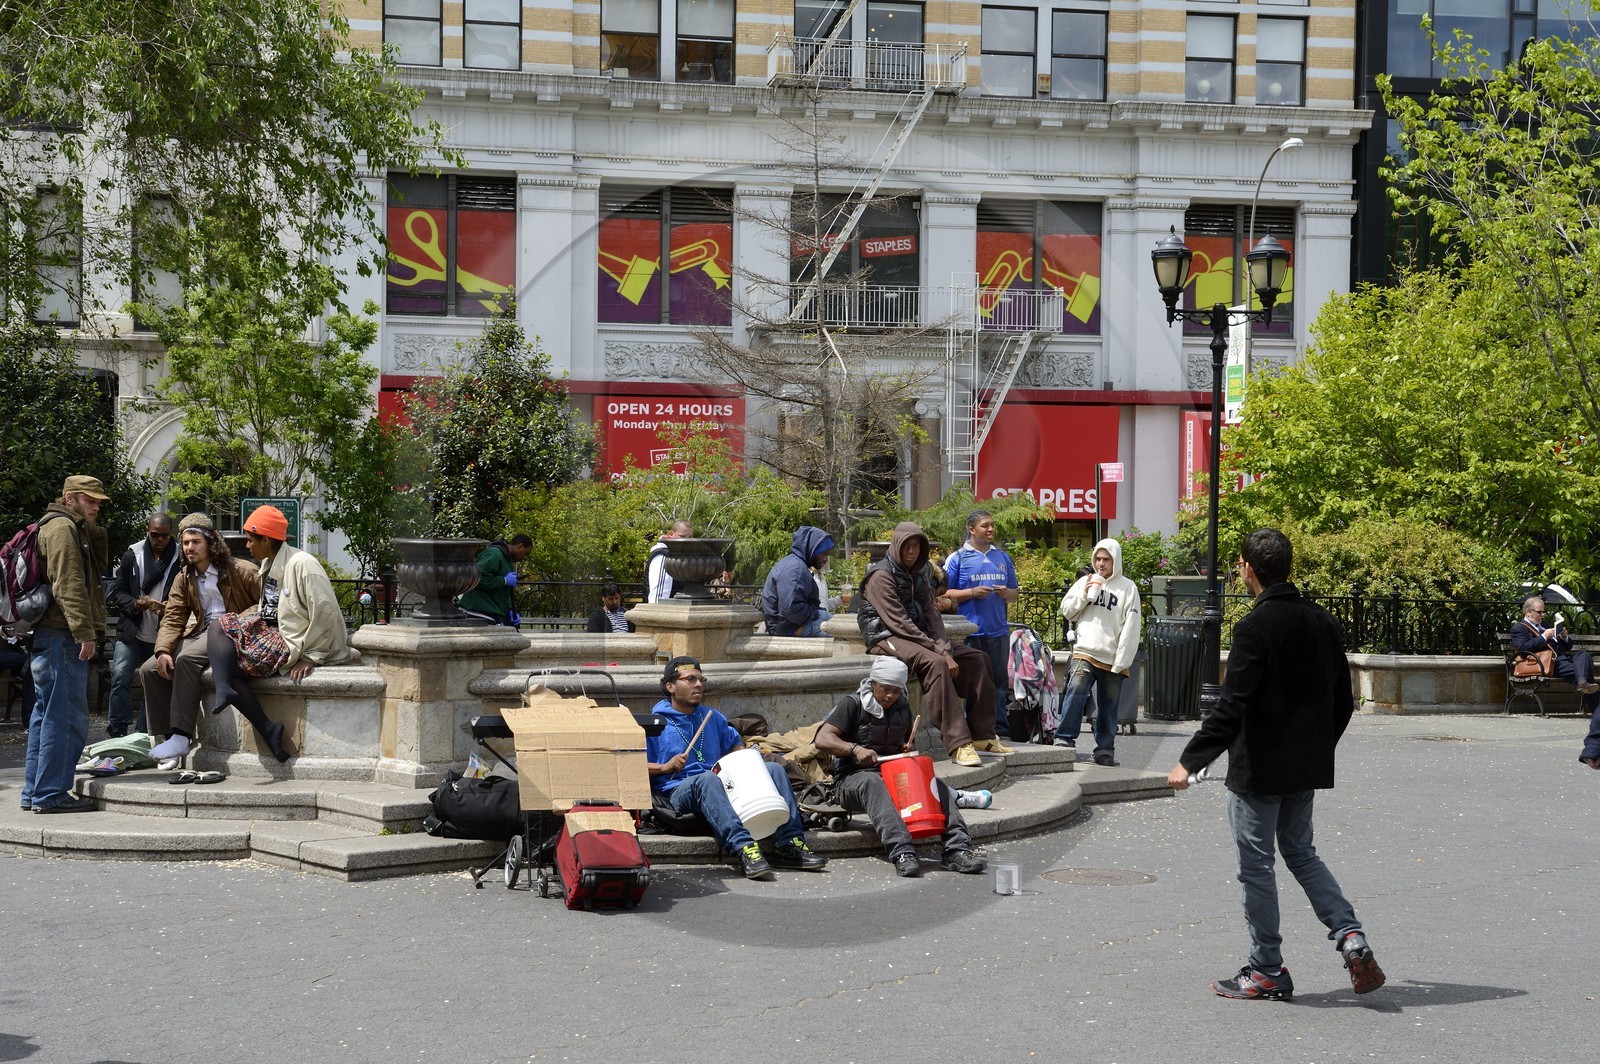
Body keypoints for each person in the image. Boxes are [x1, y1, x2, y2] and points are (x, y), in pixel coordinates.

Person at [1167, 528, 1385, 1001]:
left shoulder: (1255, 627)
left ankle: (1267, 968)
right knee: (1301, 853)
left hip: (1259, 770)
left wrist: (1190, 761)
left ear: (1248, 567)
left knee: (1257, 867)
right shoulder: (1323, 622)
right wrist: (1314, 749)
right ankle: (1350, 935)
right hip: (1302, 768)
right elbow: (1342, 703)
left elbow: (1232, 707)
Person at [645, 655, 828, 878]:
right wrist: (664, 767)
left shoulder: (712, 717)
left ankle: (789, 844)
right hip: (677, 792)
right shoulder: (654, 722)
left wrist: (745, 758)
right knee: (707, 779)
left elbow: (734, 743)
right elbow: (631, 766)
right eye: (691, 679)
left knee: (774, 769)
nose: (699, 684)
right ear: (670, 686)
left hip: (719, 783)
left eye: (701, 679)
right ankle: (744, 848)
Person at [204, 505, 353, 762]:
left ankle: (262, 724)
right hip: (271, 632)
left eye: (251, 540)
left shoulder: (303, 564)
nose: (247, 545)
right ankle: (228, 692)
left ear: (267, 539)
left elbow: (326, 612)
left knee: (229, 669)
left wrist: (312, 656)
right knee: (219, 626)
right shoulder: (268, 562)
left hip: (290, 641)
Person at [814, 656, 986, 877]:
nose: (890, 696)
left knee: (937, 785)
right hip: (852, 781)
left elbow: (906, 742)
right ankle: (902, 852)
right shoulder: (853, 704)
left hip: (891, 774)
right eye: (885, 689)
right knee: (872, 782)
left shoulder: (901, 706)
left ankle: (957, 849)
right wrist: (855, 749)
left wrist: (907, 748)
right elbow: (823, 739)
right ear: (873, 683)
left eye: (896, 691)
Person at [857, 521, 1007, 768]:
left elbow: (932, 616)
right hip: (886, 637)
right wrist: (939, 652)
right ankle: (959, 743)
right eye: (907, 547)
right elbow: (899, 623)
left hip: (917, 637)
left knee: (977, 659)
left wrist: (945, 647)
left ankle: (982, 735)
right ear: (897, 546)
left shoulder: (920, 574)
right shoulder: (880, 576)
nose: (911, 552)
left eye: (916, 547)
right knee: (936, 664)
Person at [22, 475, 111, 814]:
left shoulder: (73, 527)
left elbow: (97, 567)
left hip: (55, 638)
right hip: (63, 638)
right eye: (90, 499)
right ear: (70, 497)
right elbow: (69, 584)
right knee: (66, 719)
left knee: (46, 717)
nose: (97, 505)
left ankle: (36, 792)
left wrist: (91, 525)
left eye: (100, 501)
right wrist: (84, 633)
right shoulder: (61, 529)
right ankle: (51, 795)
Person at [142, 515, 261, 763]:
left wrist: (237, 621)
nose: (189, 547)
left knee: (186, 659)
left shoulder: (242, 570)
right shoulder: (184, 577)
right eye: (185, 542)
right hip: (200, 632)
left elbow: (267, 604)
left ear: (211, 542)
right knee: (150, 668)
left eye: (196, 541)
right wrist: (163, 650)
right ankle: (169, 740)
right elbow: (173, 617)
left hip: (230, 633)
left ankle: (181, 735)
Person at [1053, 538, 1141, 766]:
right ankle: (1064, 739)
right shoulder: (1085, 580)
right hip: (1084, 650)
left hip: (1112, 655)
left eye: (1106, 559)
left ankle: (1104, 749)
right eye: (1098, 559)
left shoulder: (1128, 587)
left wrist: (1122, 660)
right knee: (1076, 690)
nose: (1101, 564)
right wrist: (1085, 593)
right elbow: (1067, 612)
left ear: (1115, 560)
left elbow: (1131, 626)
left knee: (1109, 704)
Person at [945, 509, 1019, 739]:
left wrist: (1007, 593)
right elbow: (944, 593)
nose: (991, 529)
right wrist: (971, 592)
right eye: (985, 526)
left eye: (992, 525)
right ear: (971, 529)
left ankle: (999, 730)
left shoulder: (1002, 558)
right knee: (971, 686)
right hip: (970, 633)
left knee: (998, 685)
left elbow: (1015, 593)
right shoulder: (958, 558)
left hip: (998, 631)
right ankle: (970, 731)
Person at [104, 512, 180, 738]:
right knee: (120, 674)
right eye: (155, 535)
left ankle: (144, 731)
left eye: (164, 536)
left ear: (171, 535)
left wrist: (171, 607)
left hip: (162, 632)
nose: (159, 540)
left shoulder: (180, 556)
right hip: (133, 629)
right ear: (148, 531)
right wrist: (135, 604)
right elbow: (118, 591)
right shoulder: (133, 554)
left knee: (155, 682)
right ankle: (117, 728)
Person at [760, 525, 835, 636]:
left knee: (837, 622)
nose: (825, 559)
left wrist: (816, 612)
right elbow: (790, 608)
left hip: (788, 623)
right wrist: (814, 613)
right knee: (837, 634)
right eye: (823, 553)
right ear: (812, 549)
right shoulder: (796, 569)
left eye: (827, 555)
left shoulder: (797, 565)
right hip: (786, 627)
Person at [458, 533, 531, 626]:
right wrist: (504, 580)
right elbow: (477, 578)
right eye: (526, 553)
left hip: (489, 614)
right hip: (477, 613)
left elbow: (501, 592)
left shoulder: (506, 560)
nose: (524, 558)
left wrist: (509, 611)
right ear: (519, 546)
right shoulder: (495, 554)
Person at [646, 520, 693, 603]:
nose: (687, 541)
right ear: (671, 534)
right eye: (682, 536)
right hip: (664, 612)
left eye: (690, 537)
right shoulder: (663, 556)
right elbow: (658, 595)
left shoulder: (675, 554)